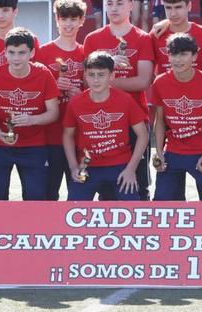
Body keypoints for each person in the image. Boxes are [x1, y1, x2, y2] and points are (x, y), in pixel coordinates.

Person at [83, 0, 155, 200]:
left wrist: (104, 80)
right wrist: (108, 70)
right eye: (110, 3)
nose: (114, 8)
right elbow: (87, 83)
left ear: (131, 5)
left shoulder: (142, 38)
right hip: (101, 121)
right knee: (106, 188)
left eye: (120, 3)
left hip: (134, 118)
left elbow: (143, 81)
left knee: (139, 186)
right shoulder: (93, 39)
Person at [0, 27, 59, 200]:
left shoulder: (44, 74)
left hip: (33, 145)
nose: (16, 58)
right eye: (11, 52)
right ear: (5, 53)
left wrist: (32, 119)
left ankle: (30, 228)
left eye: (22, 52)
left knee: (36, 197)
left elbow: (53, 113)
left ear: (32, 53)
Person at [63, 51, 147, 201]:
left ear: (112, 76)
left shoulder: (125, 100)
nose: (96, 80)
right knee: (73, 209)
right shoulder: (76, 103)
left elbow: (143, 135)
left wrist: (131, 169)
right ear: (86, 76)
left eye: (101, 75)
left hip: (120, 165)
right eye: (91, 74)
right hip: (88, 166)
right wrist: (73, 167)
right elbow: (67, 135)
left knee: (133, 209)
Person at [150, 33, 202, 201]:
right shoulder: (160, 83)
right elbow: (159, 120)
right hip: (173, 152)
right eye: (173, 54)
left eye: (183, 54)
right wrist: (160, 152)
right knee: (163, 203)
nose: (178, 59)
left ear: (195, 55)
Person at [35, 0, 87, 200]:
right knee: (48, 195)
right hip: (50, 136)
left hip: (79, 137)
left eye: (74, 19)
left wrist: (80, 95)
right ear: (56, 19)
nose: (68, 24)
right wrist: (52, 90)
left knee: (79, 194)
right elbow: (33, 93)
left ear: (81, 20)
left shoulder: (86, 52)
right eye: (64, 18)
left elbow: (96, 93)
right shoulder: (42, 53)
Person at [150, 0, 202, 75]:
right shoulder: (156, 34)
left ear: (189, 6)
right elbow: (149, 73)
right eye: (168, 8)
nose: (173, 13)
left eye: (178, 7)